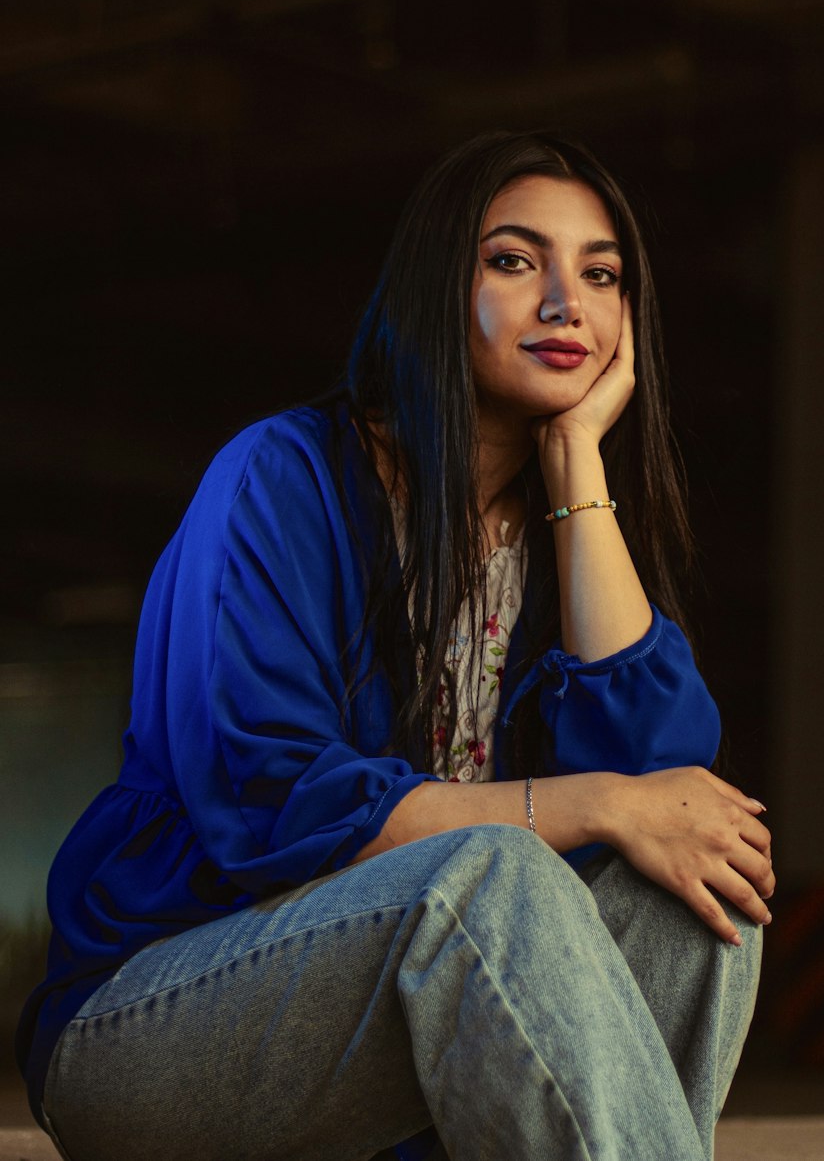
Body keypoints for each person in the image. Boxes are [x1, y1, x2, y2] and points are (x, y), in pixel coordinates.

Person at [18, 130, 775, 1161]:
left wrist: (575, 463)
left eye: (600, 275)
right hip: (158, 1025)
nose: (566, 303)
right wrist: (590, 804)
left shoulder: (568, 534)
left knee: (695, 890)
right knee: (495, 873)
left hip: (393, 1049)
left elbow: (664, 786)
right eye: (515, 261)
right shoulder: (280, 479)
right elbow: (278, 799)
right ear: (433, 285)